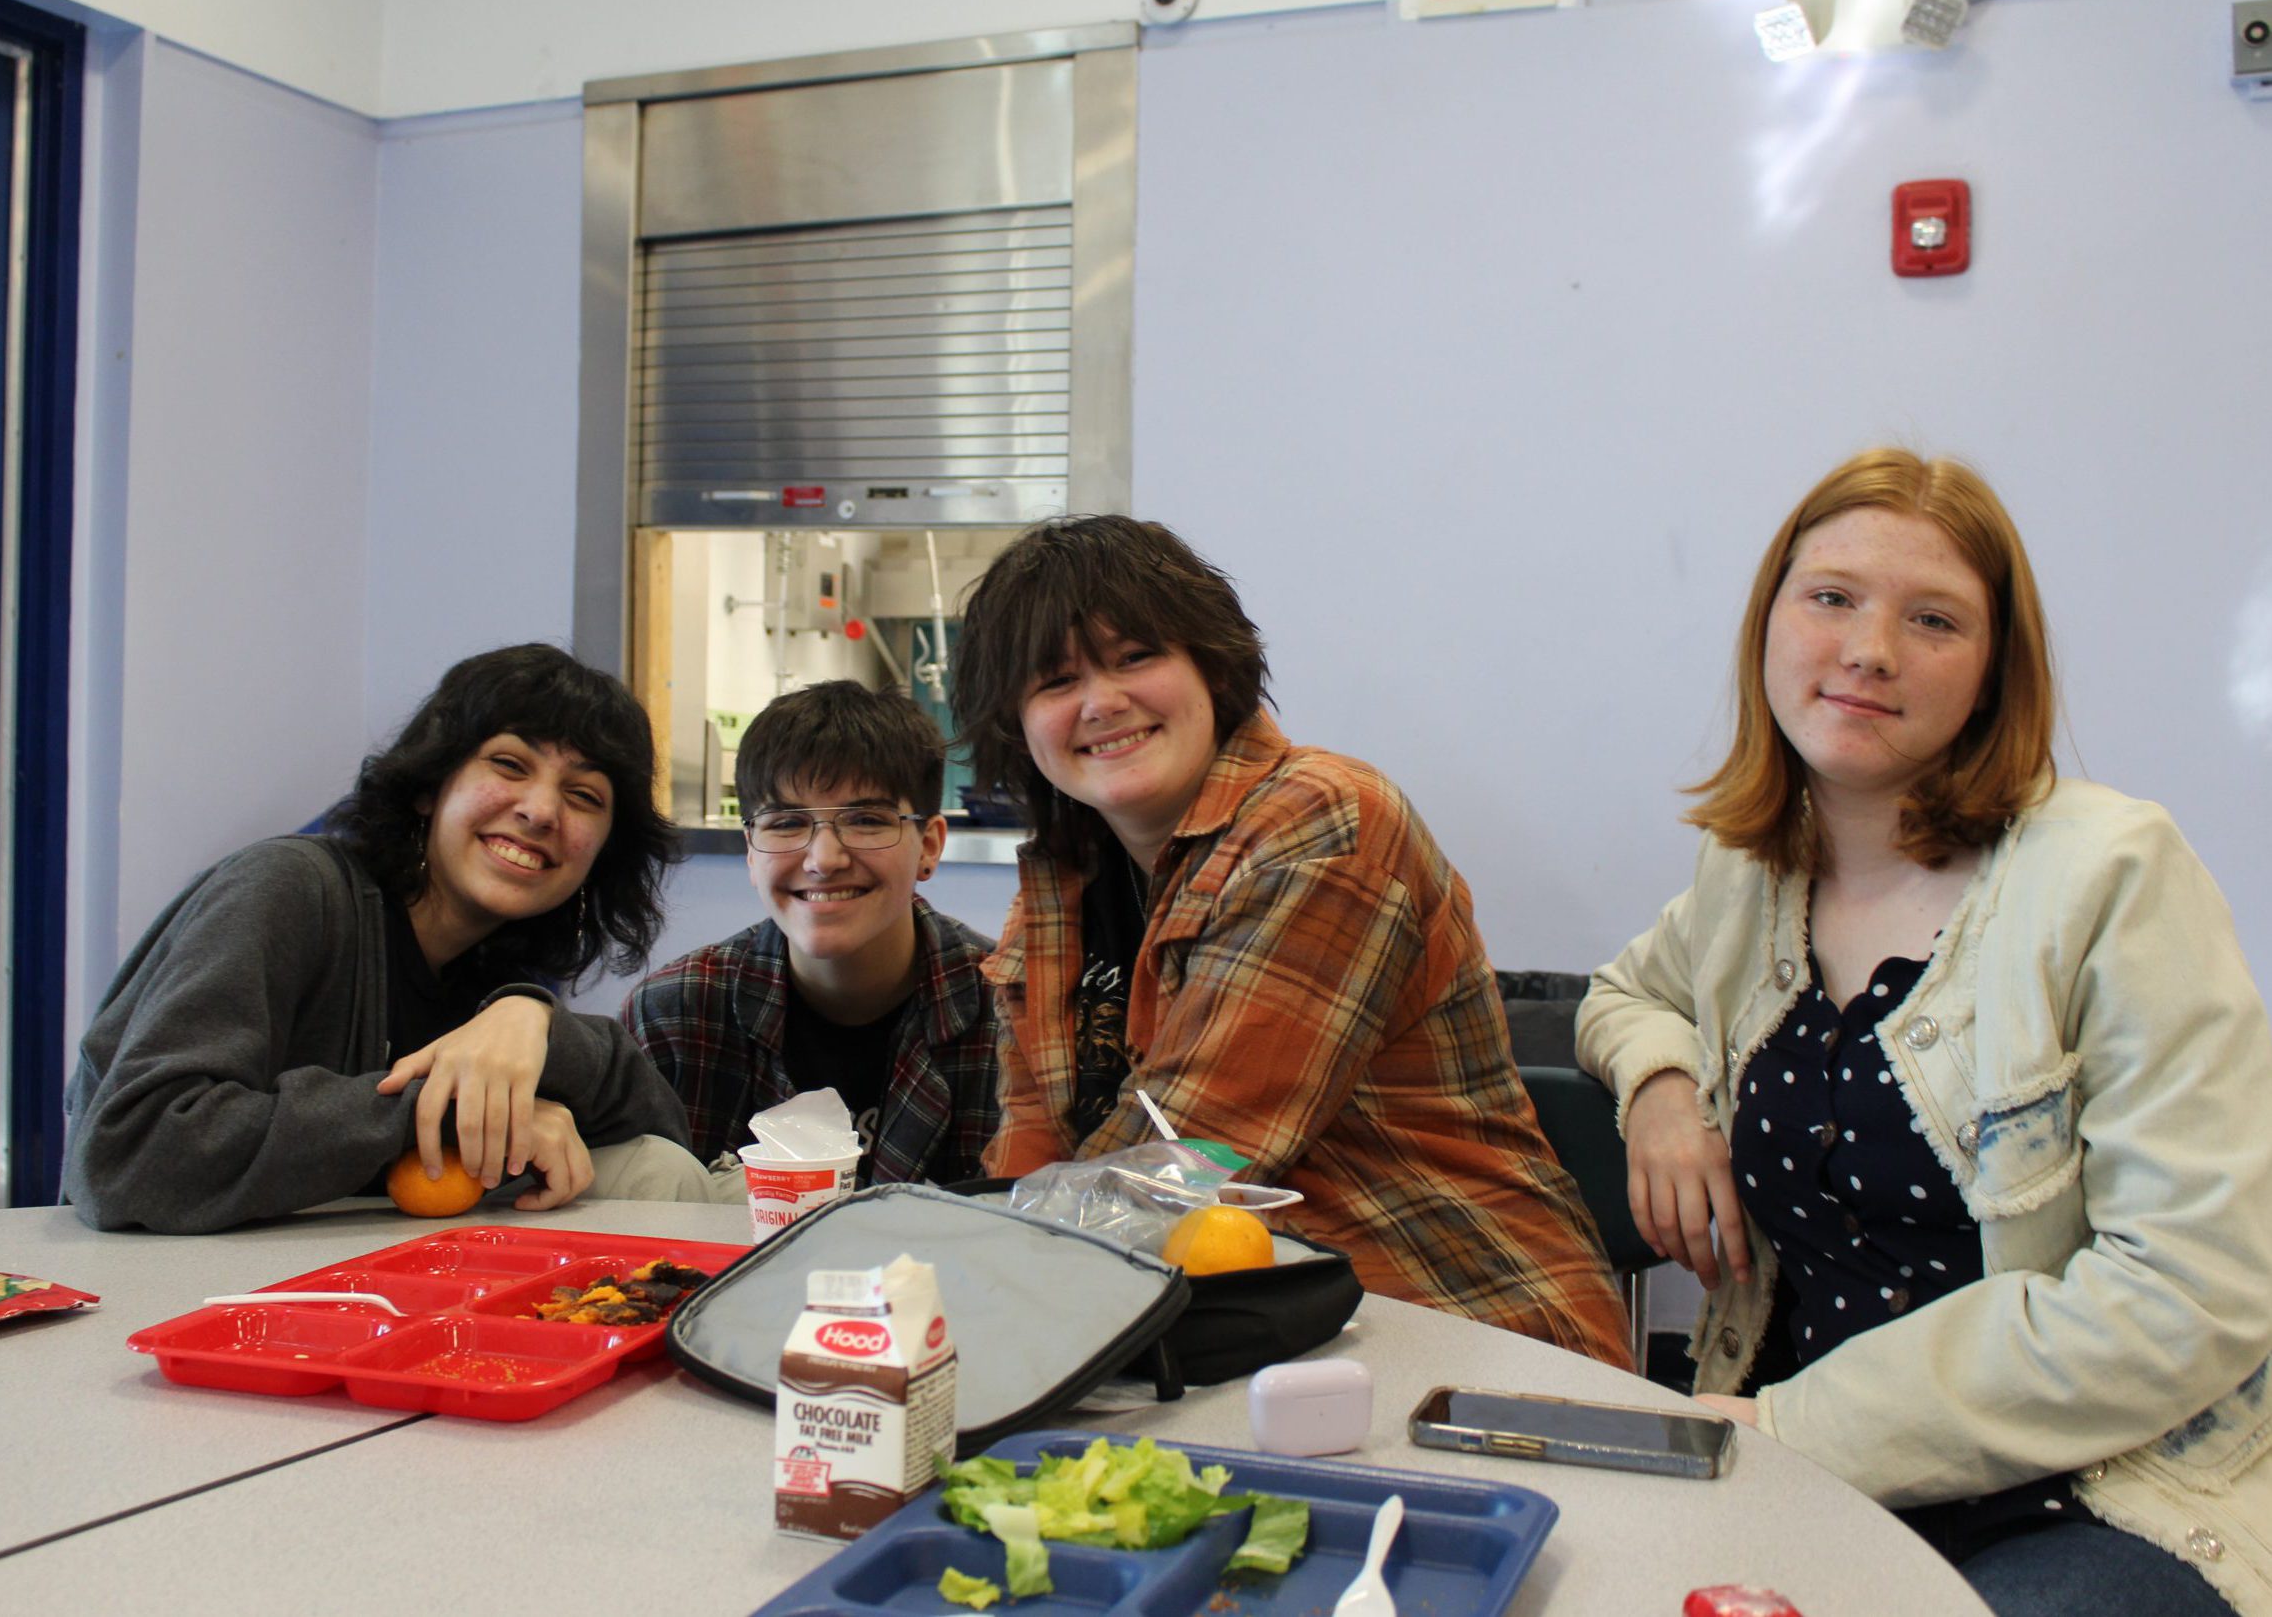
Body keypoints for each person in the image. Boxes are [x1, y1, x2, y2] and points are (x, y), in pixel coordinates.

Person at [1578, 450, 2272, 1616]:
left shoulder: (2110, 874)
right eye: (1831, 597)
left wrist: (1795, 1427)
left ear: (1995, 672)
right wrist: (1660, 1091)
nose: (1868, 650)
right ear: (1769, 622)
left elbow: (2186, 1298)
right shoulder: (1751, 870)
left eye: (1933, 619)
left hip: (2092, 1486)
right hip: (1800, 1467)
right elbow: (1623, 996)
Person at [952, 514, 1630, 1365]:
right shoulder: (1056, 890)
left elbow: (1191, 1151)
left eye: (1134, 657)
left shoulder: (1321, 821)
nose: (1100, 701)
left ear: (1213, 665)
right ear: (1016, 725)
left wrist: (982, 1283)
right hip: (1221, 1329)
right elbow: (1033, 1151)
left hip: (1460, 1329)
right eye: (1055, 680)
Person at [64, 643, 725, 1233]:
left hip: (353, 1293)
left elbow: (658, 1132)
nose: (540, 810)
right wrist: (438, 1105)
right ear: (429, 786)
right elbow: (130, 1154)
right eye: (508, 763)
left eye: (583, 795)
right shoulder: (288, 889)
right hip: (171, 1296)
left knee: (657, 1169)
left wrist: (533, 1022)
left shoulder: (495, 962)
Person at [622, 680, 998, 1185]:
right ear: (751, 851)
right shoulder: (674, 1013)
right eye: (786, 823)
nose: (824, 860)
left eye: (866, 820)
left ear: (928, 845)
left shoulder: (1011, 1010)